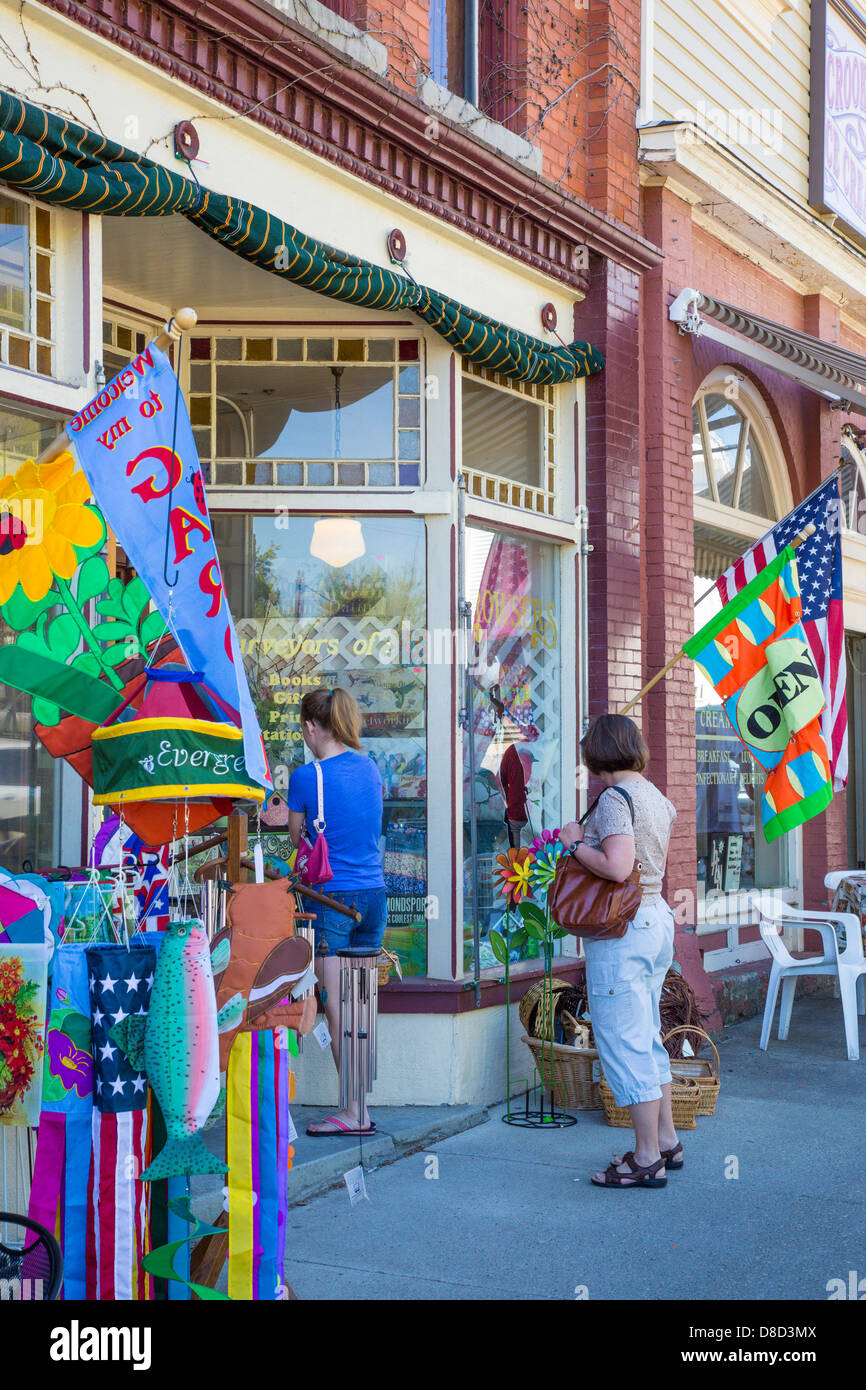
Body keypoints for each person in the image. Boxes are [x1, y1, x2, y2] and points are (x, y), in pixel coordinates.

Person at [558, 713, 679, 1189]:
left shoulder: (613, 799)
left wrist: (573, 845)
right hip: (655, 918)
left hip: (622, 929)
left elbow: (617, 865)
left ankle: (646, 1156)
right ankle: (666, 1139)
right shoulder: (653, 794)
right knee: (646, 1034)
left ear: (598, 753)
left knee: (623, 1041)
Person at [287, 686, 387, 1137]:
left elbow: (296, 839)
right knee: (362, 1004)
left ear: (311, 726)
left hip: (331, 902)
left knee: (337, 1008)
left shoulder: (306, 777)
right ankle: (359, 1105)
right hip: (373, 896)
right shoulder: (370, 768)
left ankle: (353, 1112)